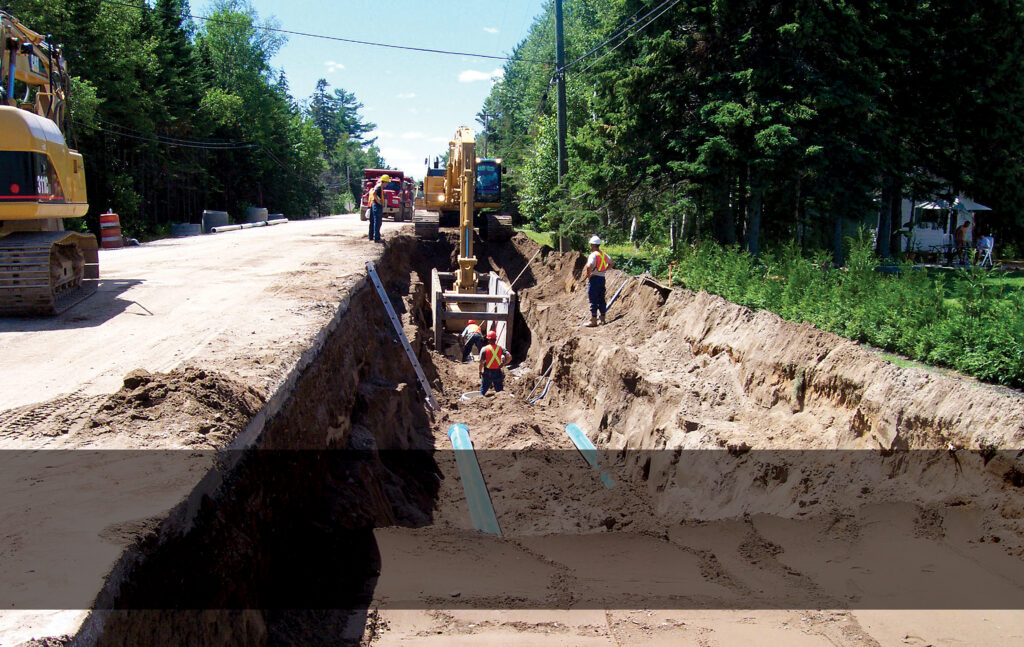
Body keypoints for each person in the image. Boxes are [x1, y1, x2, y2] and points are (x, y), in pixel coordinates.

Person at [584, 235, 614, 327]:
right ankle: (603, 319)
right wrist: (605, 269)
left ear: (593, 245)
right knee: (601, 299)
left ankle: (593, 320)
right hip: (602, 279)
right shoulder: (604, 255)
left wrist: (589, 275)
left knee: (593, 299)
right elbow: (612, 262)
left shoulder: (593, 255)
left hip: (595, 279)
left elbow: (589, 266)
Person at [478, 330, 511, 395]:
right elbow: (509, 357)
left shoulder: (484, 349)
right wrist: (504, 364)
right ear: (495, 339)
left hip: (487, 372)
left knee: (483, 392)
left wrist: (480, 371)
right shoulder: (500, 348)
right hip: (497, 371)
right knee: (500, 392)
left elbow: (481, 362)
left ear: (488, 340)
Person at [368, 174, 390, 243]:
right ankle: (377, 238)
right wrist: (379, 202)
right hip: (377, 205)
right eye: (387, 182)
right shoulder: (379, 186)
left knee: (373, 221)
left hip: (374, 205)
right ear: (384, 181)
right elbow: (374, 193)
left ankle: (371, 236)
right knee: (377, 222)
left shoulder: (379, 186)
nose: (387, 184)